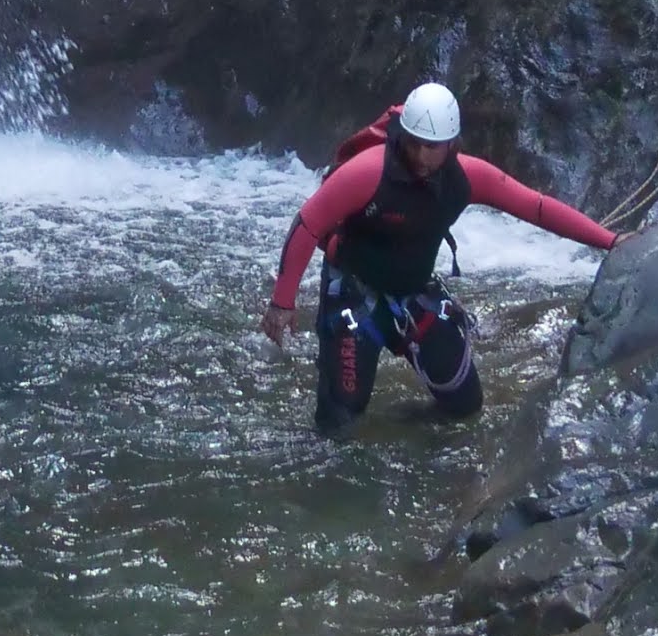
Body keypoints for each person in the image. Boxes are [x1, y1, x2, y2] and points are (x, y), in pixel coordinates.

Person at [261, 79, 617, 430]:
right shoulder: (368, 172)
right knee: (339, 420)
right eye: (414, 144)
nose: (421, 155)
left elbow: (536, 208)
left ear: (451, 144)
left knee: (465, 406)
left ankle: (402, 427)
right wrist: (283, 302)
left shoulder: (467, 177)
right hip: (355, 295)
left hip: (414, 294)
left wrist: (611, 241)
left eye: (432, 147)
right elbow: (307, 223)